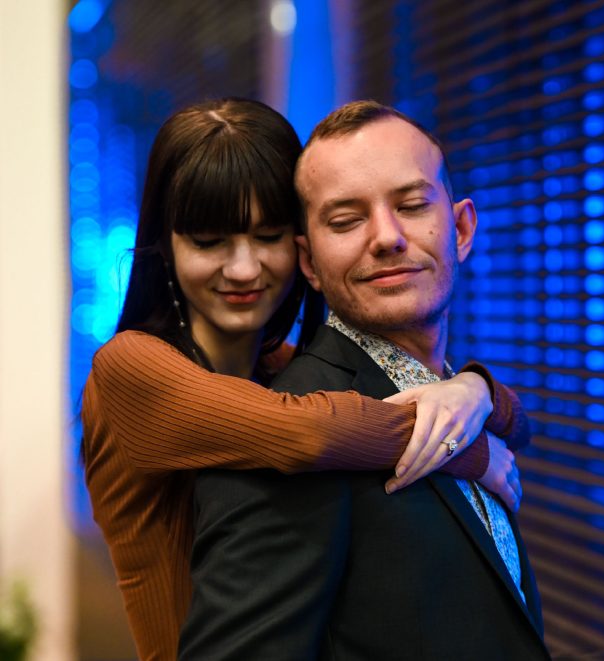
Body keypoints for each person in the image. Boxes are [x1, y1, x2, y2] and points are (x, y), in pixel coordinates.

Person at [80, 98, 531, 661]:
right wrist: (470, 450)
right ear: (166, 249)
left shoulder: (272, 369)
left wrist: (478, 391)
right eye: (209, 241)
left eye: (267, 236)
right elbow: (309, 433)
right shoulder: (130, 367)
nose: (244, 269)